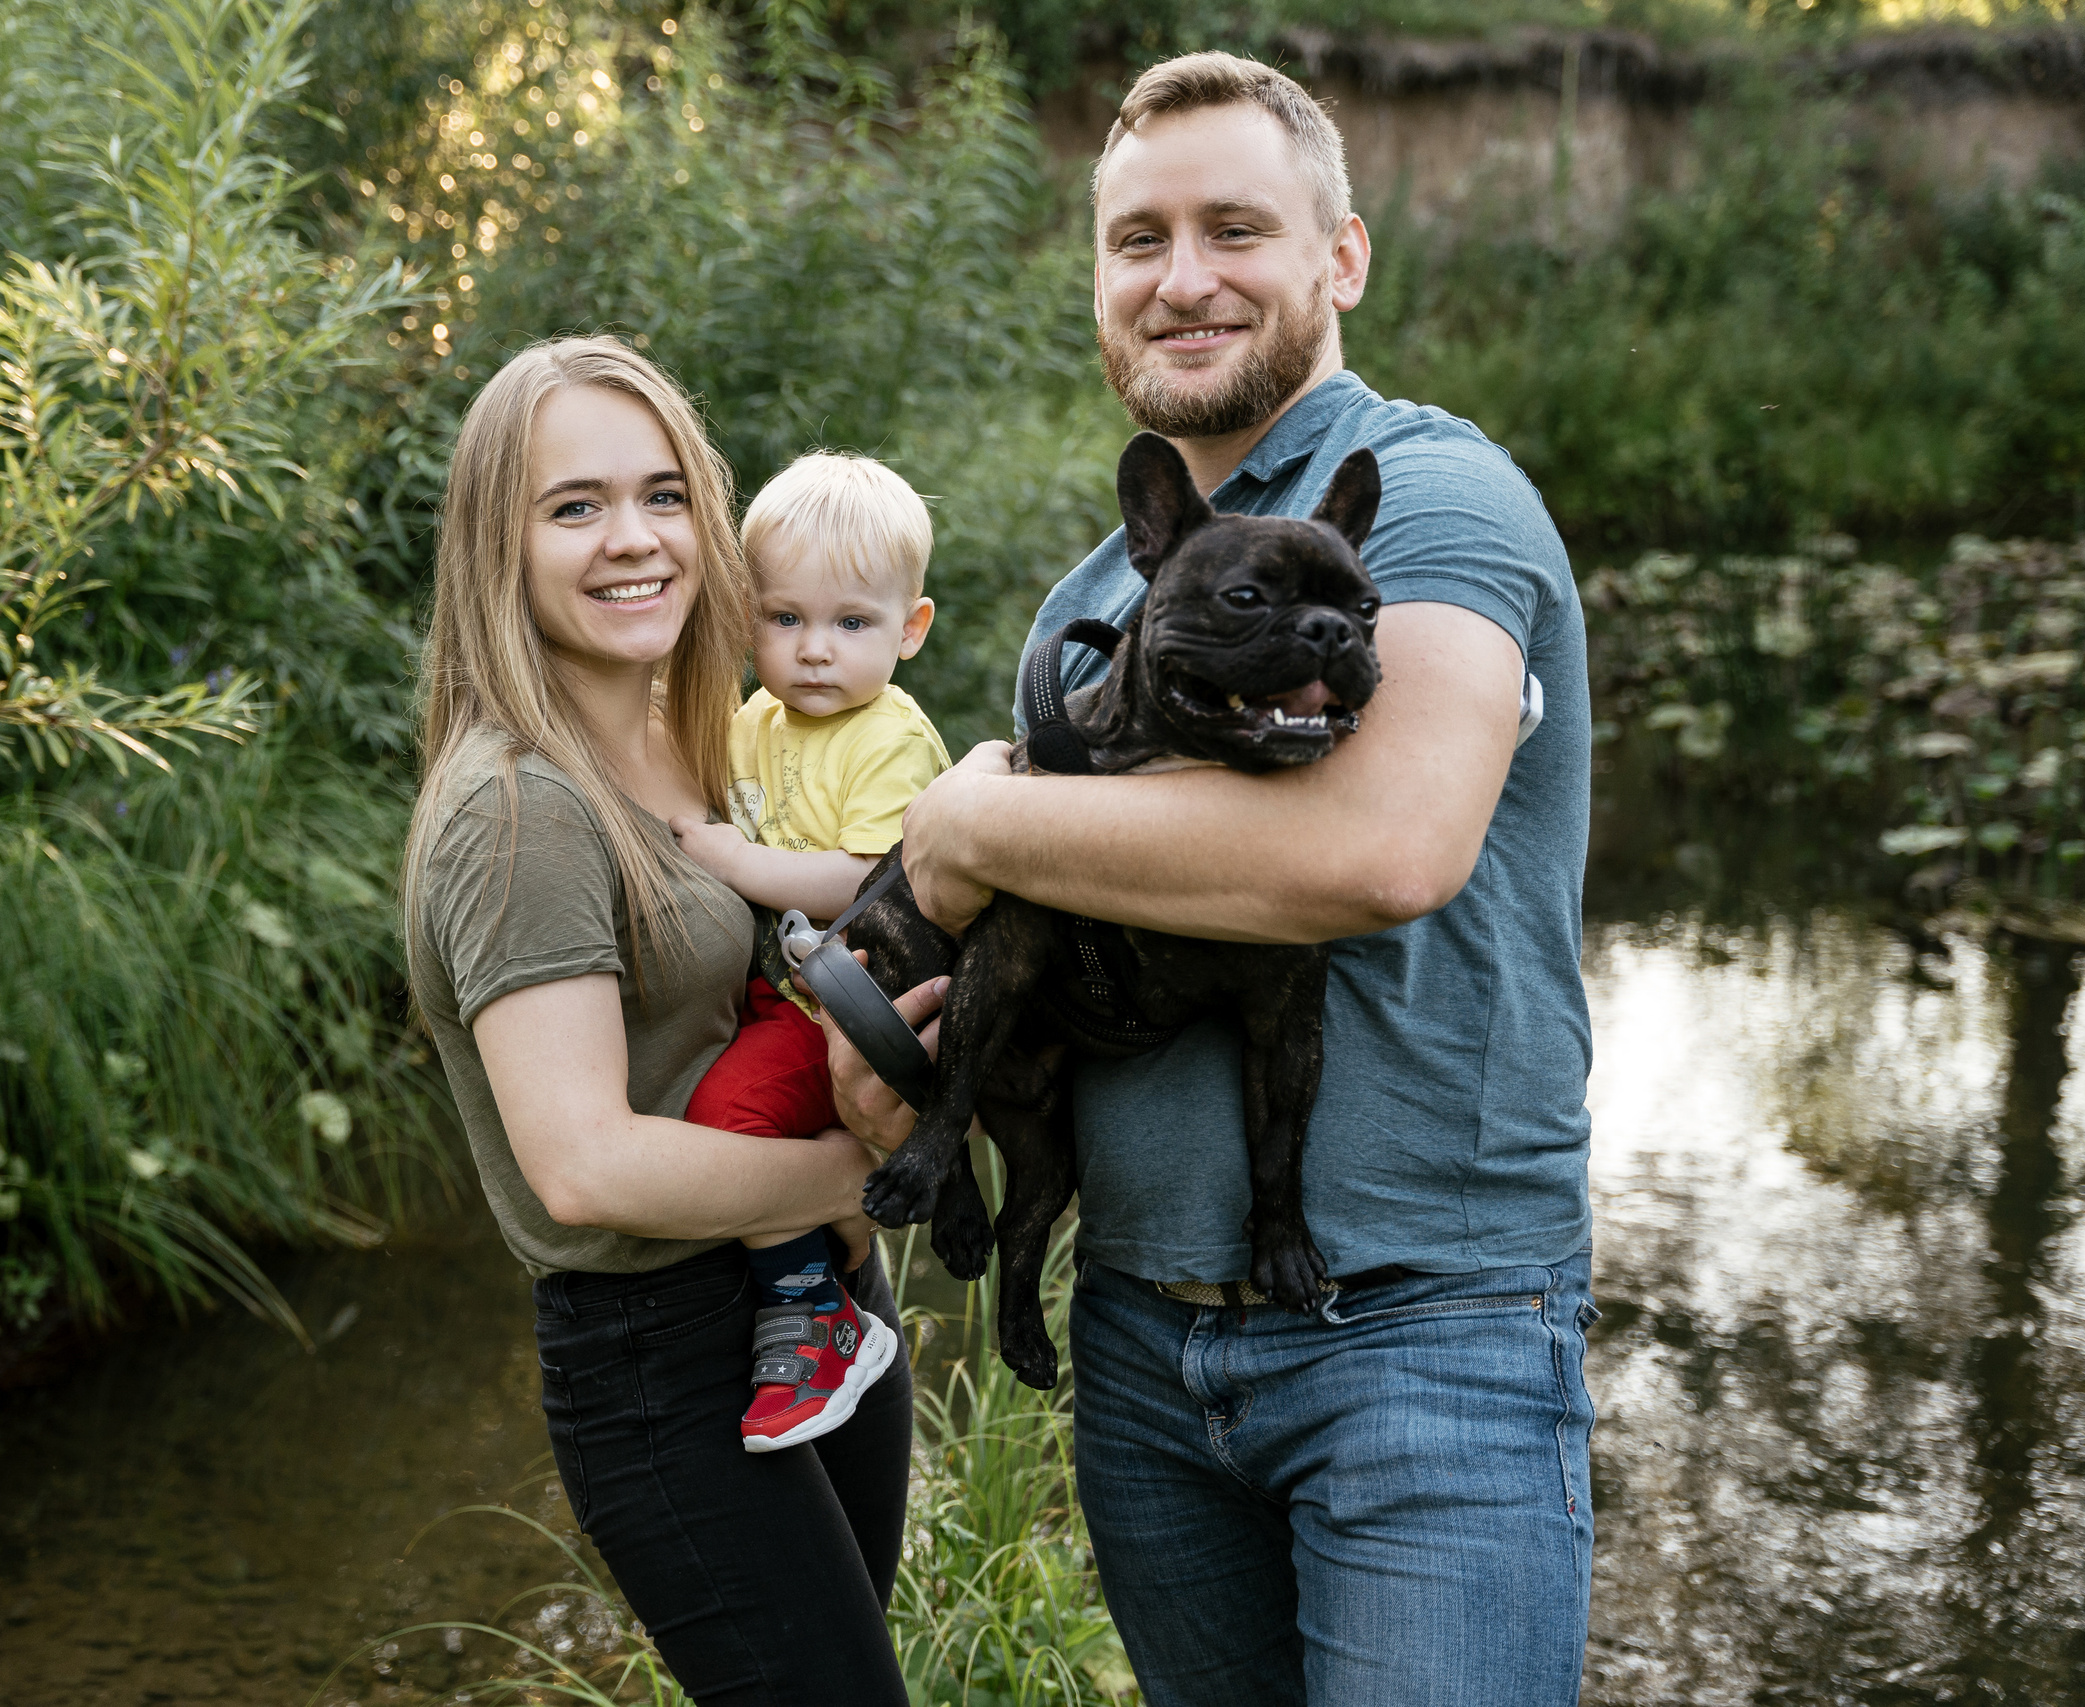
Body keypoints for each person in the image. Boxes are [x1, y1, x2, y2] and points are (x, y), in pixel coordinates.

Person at [826, 52, 1599, 1707]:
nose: (1179, 280)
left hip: (1424, 1335)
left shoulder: (1437, 500)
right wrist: (903, 1027)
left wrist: (966, 830)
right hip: (1142, 1345)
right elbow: (1056, 934)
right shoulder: (1099, 595)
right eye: (1136, 241)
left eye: (1234, 228)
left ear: (1343, 258)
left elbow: (1378, 852)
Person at [401, 335, 913, 1706]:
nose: (634, 538)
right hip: (665, 1356)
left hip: (814, 1305)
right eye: (575, 507)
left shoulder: (706, 740)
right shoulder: (519, 808)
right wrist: (865, 1176)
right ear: (497, 547)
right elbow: (586, 1164)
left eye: (664, 493)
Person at [665, 452, 949, 1451]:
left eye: (851, 623)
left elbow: (862, 878)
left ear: (908, 630)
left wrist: (731, 858)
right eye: (785, 619)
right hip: (782, 991)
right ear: (748, 618)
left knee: (727, 1115)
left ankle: (812, 1314)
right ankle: (825, 1254)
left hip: (850, 1002)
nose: (814, 650)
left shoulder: (889, 738)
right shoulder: (756, 719)